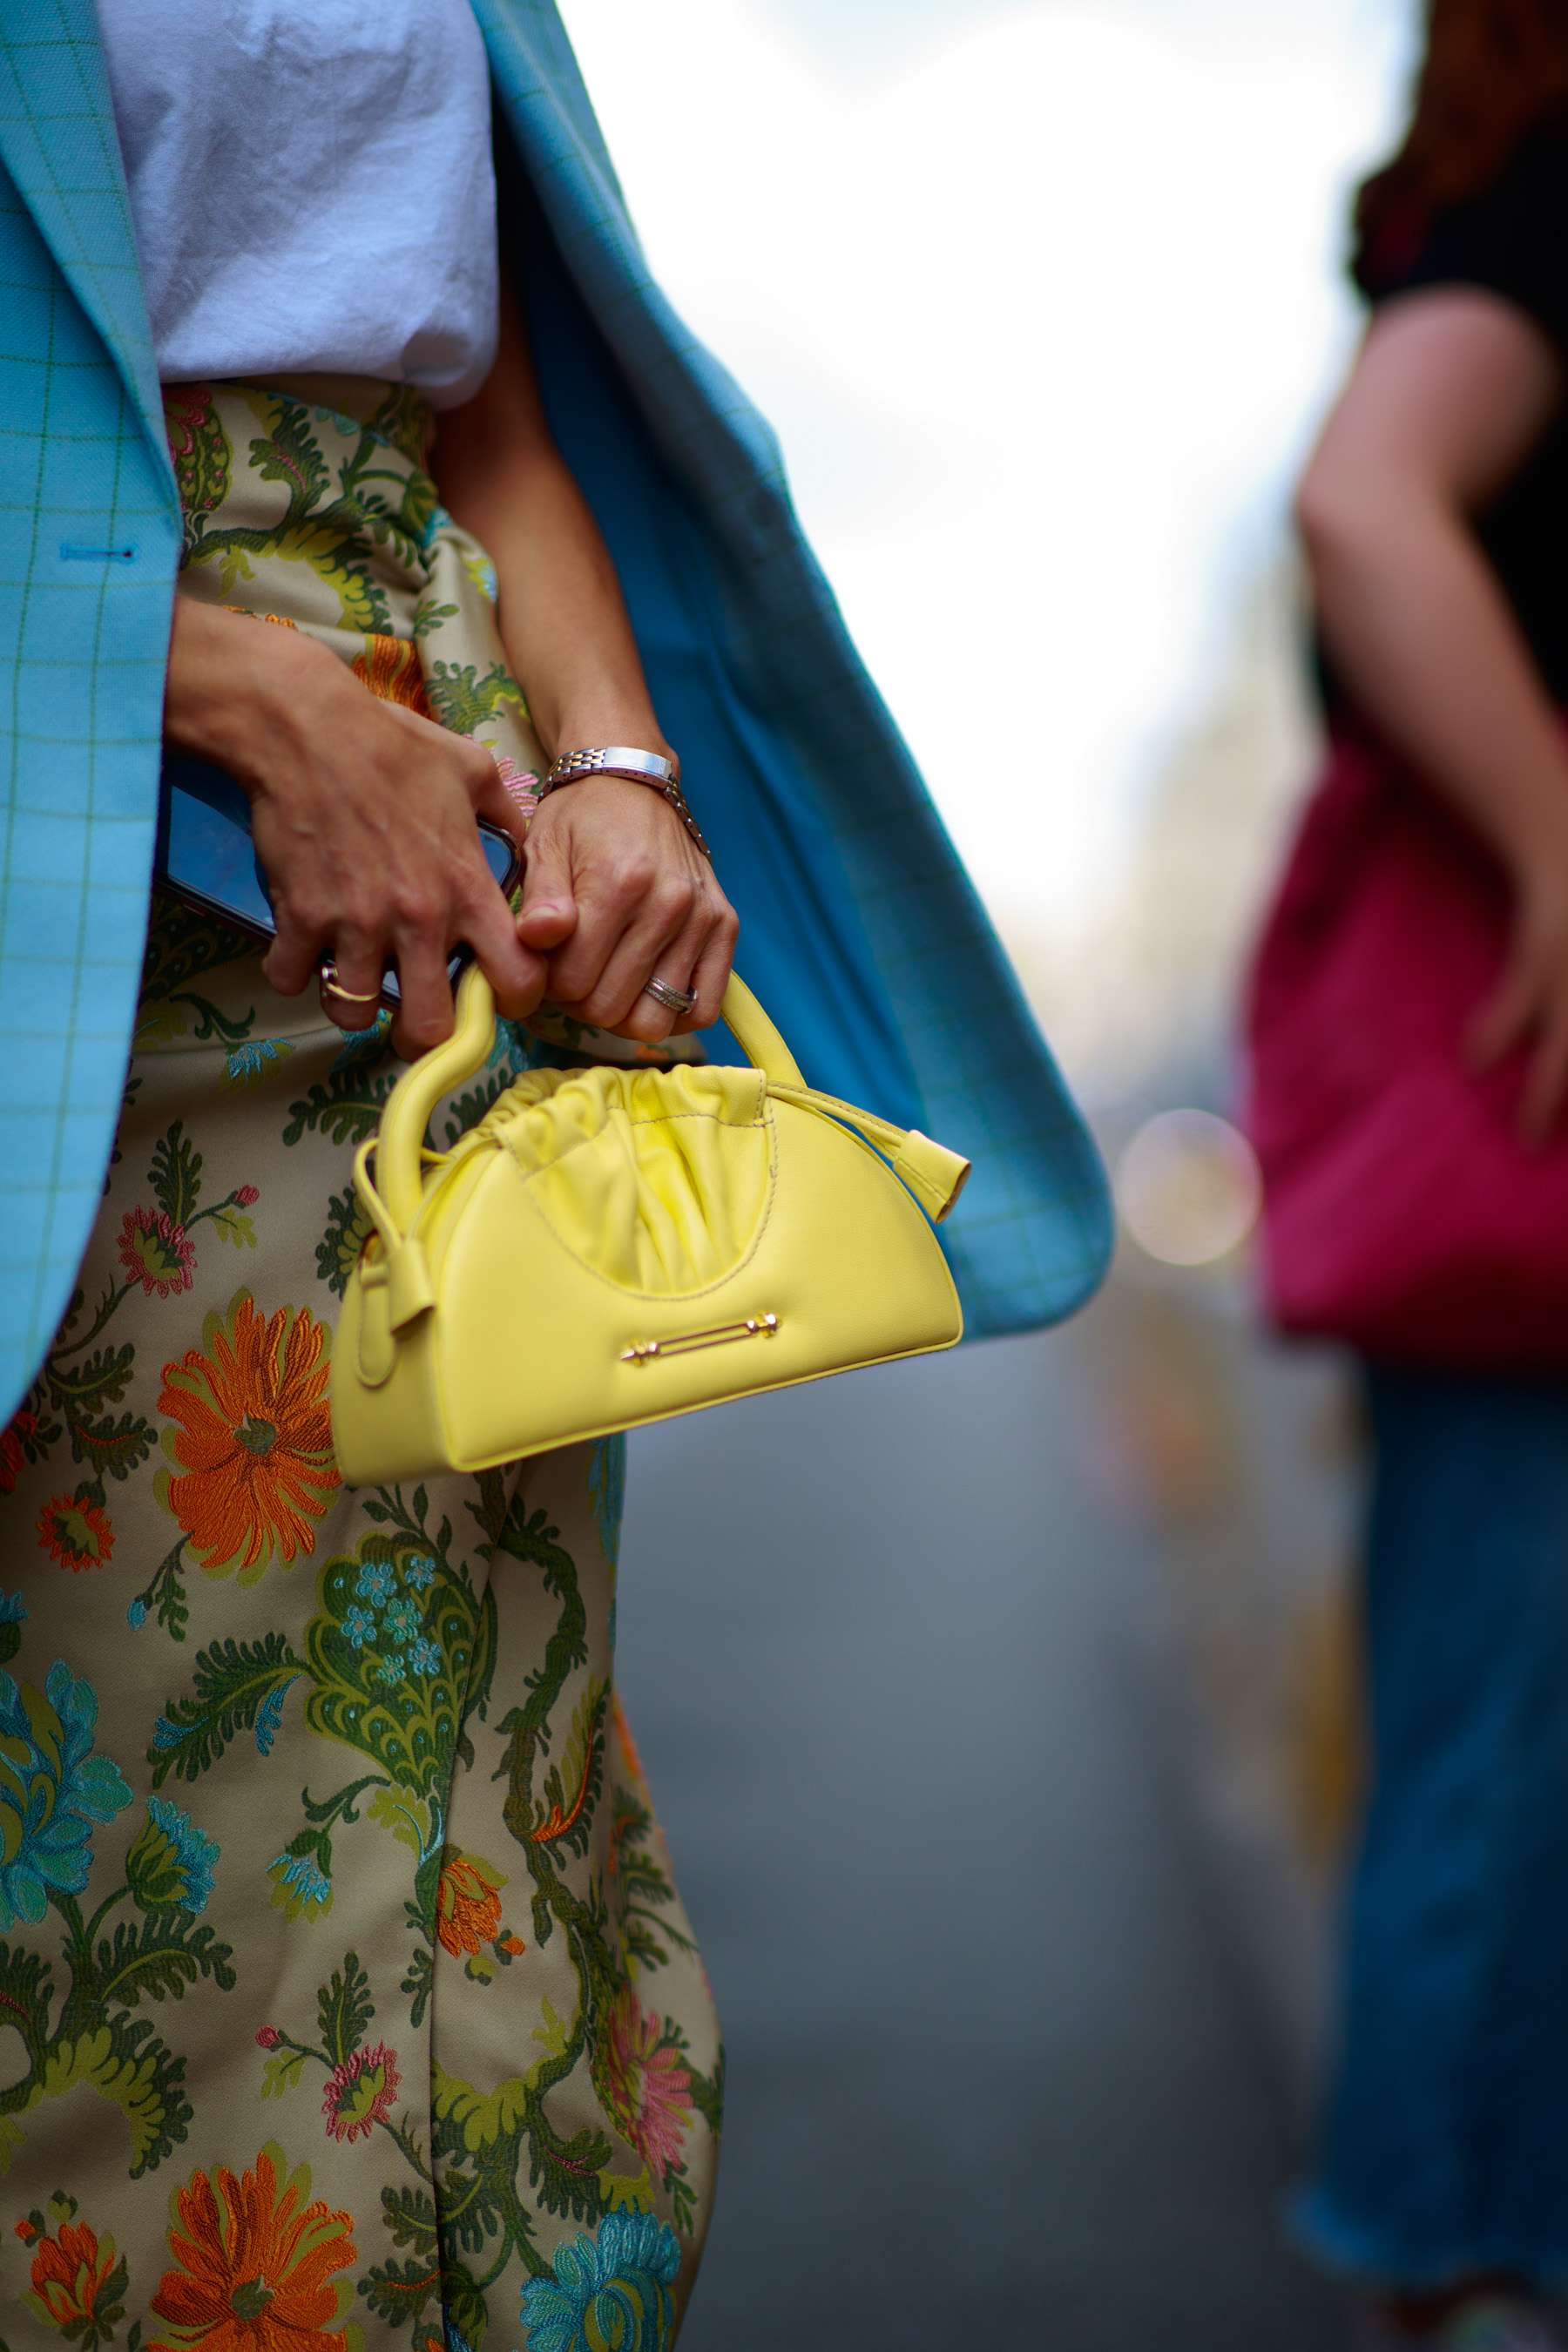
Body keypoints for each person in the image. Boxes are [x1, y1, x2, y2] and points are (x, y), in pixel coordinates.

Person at [0, 3, 1110, 2345]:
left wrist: (614, 764)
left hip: (444, 909)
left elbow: (485, 411)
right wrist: (223, 686)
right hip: (84, 881)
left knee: (462, 1742)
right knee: (116, 1804)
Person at [1253, 3, 1568, 2345]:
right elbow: (1364, 496)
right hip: (1527, 1087)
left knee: (1485, 1683)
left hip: (1474, 1111)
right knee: (1509, 1708)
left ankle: (1445, 2244)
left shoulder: (1471, 212)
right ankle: (1452, 2251)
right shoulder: (1554, 225)